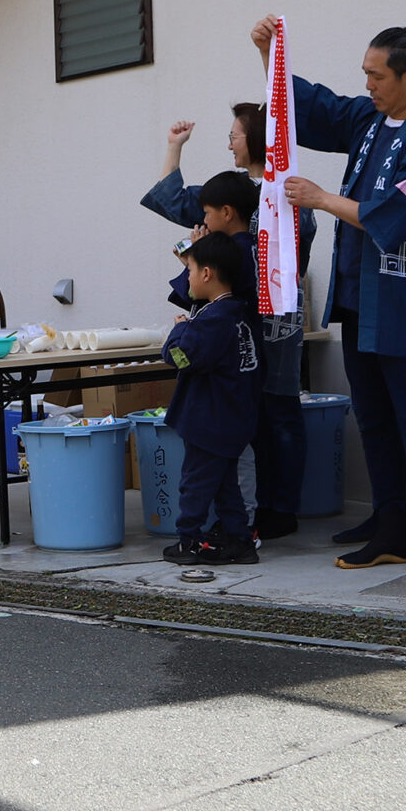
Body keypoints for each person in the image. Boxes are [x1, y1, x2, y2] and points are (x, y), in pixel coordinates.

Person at [257, 17, 406, 574]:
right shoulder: (371, 119)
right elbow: (316, 108)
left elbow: (395, 219)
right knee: (374, 419)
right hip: (359, 296)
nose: (369, 86)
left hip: (405, 302)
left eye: (376, 76)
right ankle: (391, 527)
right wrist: (270, 57)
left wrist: (321, 198)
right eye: (365, 75)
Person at [146, 110, 318, 537]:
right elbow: (174, 200)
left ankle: (272, 511)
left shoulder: (286, 193)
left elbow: (294, 258)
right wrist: (174, 146)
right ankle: (253, 515)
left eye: (234, 135)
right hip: (243, 323)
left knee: (275, 412)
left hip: (269, 321)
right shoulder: (228, 193)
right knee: (255, 417)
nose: (230, 143)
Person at [162, 230, 264, 572]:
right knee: (225, 486)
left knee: (195, 482)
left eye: (189, 269)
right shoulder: (240, 314)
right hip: (234, 419)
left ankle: (187, 539)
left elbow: (178, 357)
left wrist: (179, 328)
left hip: (208, 420)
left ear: (206, 274)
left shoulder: (212, 322)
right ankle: (240, 540)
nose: (187, 277)